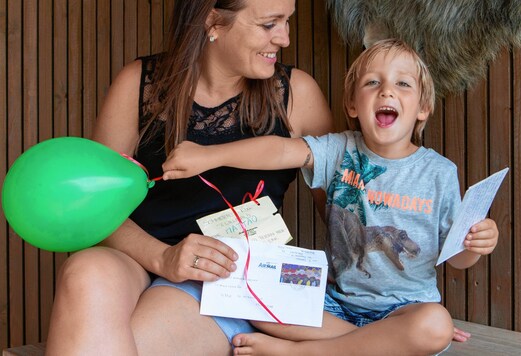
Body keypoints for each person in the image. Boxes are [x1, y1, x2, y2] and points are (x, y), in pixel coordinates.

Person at [162, 38, 499, 355]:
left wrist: (474, 246)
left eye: (403, 84)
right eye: (372, 83)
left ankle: (301, 352)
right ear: (352, 104)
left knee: (434, 323)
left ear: (423, 108)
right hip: (334, 305)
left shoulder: (439, 172)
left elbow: (456, 259)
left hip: (404, 310)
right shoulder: (340, 149)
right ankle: (379, 346)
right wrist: (211, 155)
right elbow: (280, 151)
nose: (387, 91)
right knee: (255, 296)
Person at [45, 0, 334, 355]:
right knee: (85, 271)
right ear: (214, 20)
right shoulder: (139, 84)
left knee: (124, 342)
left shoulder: (296, 93)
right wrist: (163, 258)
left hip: (225, 277)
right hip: (138, 255)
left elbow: (343, 212)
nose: (285, 38)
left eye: (286, 22)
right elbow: (96, 207)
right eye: (269, 24)